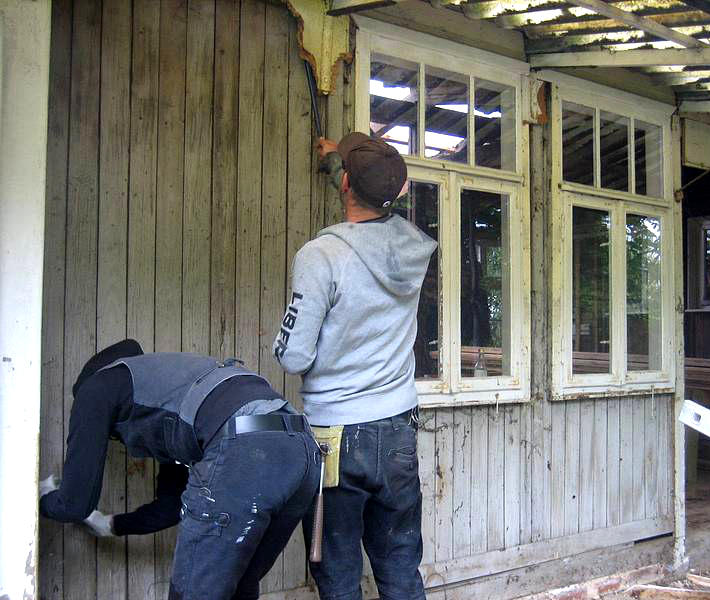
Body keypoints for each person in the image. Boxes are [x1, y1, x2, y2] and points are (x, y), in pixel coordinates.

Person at [273, 132, 437, 600]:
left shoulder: (320, 256)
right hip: (399, 431)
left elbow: (295, 355)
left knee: (338, 576)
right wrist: (334, 162)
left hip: (335, 441)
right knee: (401, 569)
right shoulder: (414, 247)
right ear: (399, 192)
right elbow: (375, 196)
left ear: (346, 184)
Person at [39, 339, 320, 600]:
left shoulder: (96, 388)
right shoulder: (173, 386)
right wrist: (111, 524)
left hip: (246, 446)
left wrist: (38, 498)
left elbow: (74, 504)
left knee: (191, 593)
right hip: (302, 450)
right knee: (240, 587)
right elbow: (172, 506)